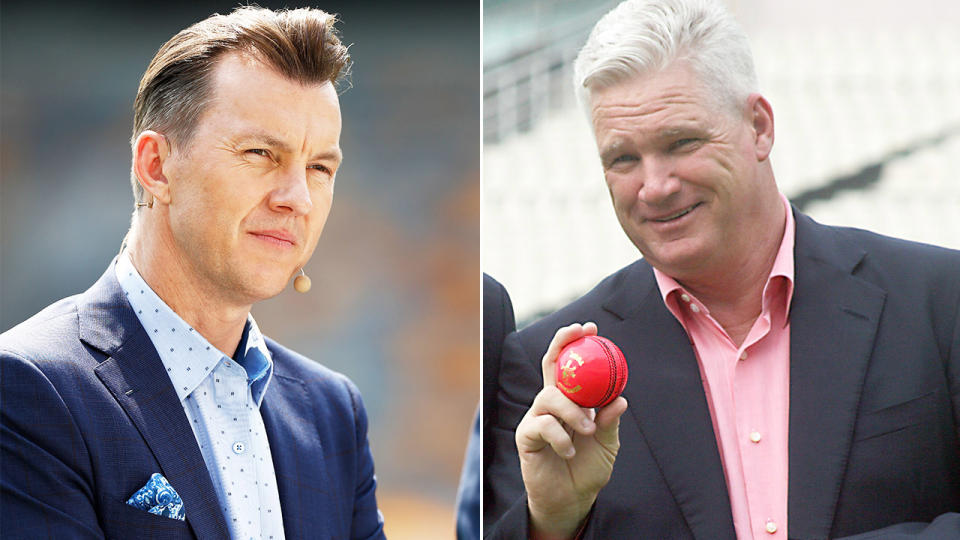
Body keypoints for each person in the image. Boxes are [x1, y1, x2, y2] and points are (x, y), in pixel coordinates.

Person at [483, 0, 960, 539]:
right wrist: (552, 523)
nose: (655, 185)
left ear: (759, 126)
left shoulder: (940, 301)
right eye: (623, 159)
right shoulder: (543, 371)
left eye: (681, 142)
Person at [0, 6, 385, 539]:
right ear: (156, 166)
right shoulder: (29, 387)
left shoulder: (332, 411)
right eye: (259, 153)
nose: (297, 197)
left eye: (319, 167)